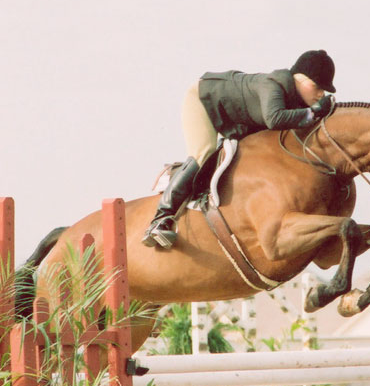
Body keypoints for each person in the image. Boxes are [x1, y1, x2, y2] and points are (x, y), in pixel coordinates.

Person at [142, 49, 337, 249]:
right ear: (299, 79)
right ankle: (161, 219)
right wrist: (312, 112)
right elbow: (274, 118)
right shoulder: (272, 85)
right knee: (204, 152)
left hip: (233, 118)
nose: (321, 93)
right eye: (317, 86)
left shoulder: (293, 99)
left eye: (325, 90)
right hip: (203, 100)